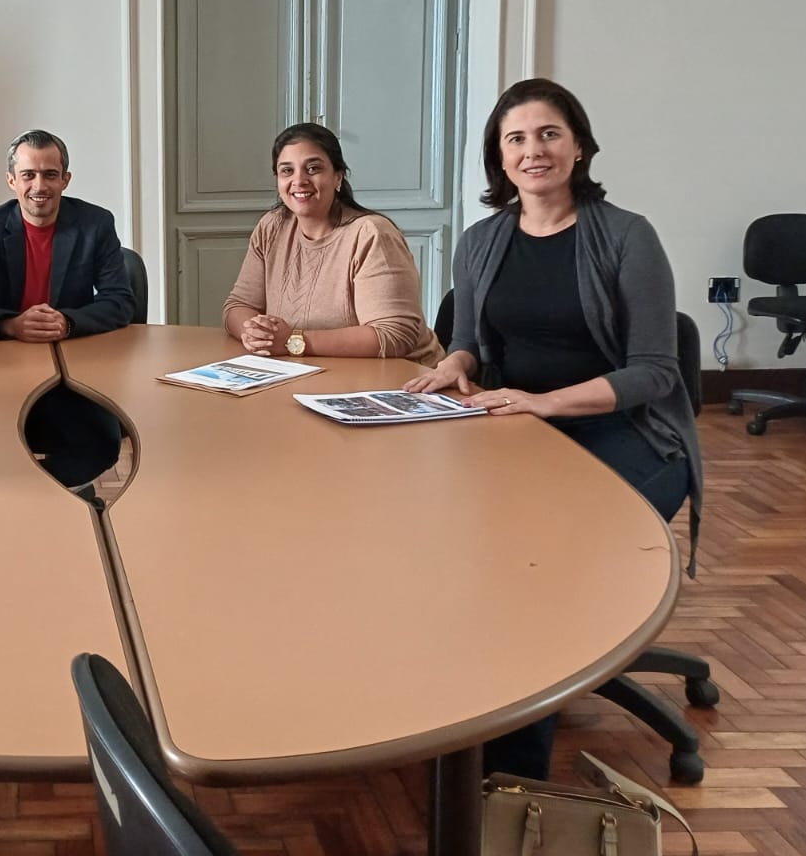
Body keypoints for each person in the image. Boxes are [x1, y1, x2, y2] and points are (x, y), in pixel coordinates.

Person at [404, 77, 698, 778]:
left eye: (548, 134)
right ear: (498, 158)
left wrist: (543, 402)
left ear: (580, 148)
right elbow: (470, 338)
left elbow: (656, 372)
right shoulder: (480, 241)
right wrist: (456, 364)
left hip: (629, 434)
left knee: (544, 559)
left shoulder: (628, 236)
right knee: (445, 529)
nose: (532, 150)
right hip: (516, 427)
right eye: (516, 138)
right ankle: (449, 695)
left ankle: (511, 775)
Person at [0, 130, 135, 487]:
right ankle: (30, 501)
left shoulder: (95, 224)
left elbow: (120, 300)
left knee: (101, 443)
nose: (39, 185)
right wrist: (10, 324)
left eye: (50, 174)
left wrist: (67, 322)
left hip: (74, 367)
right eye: (29, 175)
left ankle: (53, 499)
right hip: (1, 369)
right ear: (11, 181)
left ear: (66, 179)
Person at [223, 123, 442, 365]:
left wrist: (293, 342)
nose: (299, 180)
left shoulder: (371, 234)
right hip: (314, 373)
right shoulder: (272, 226)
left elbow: (394, 335)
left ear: (338, 177)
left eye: (313, 168)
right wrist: (254, 333)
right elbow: (239, 305)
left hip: (404, 381)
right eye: (287, 171)